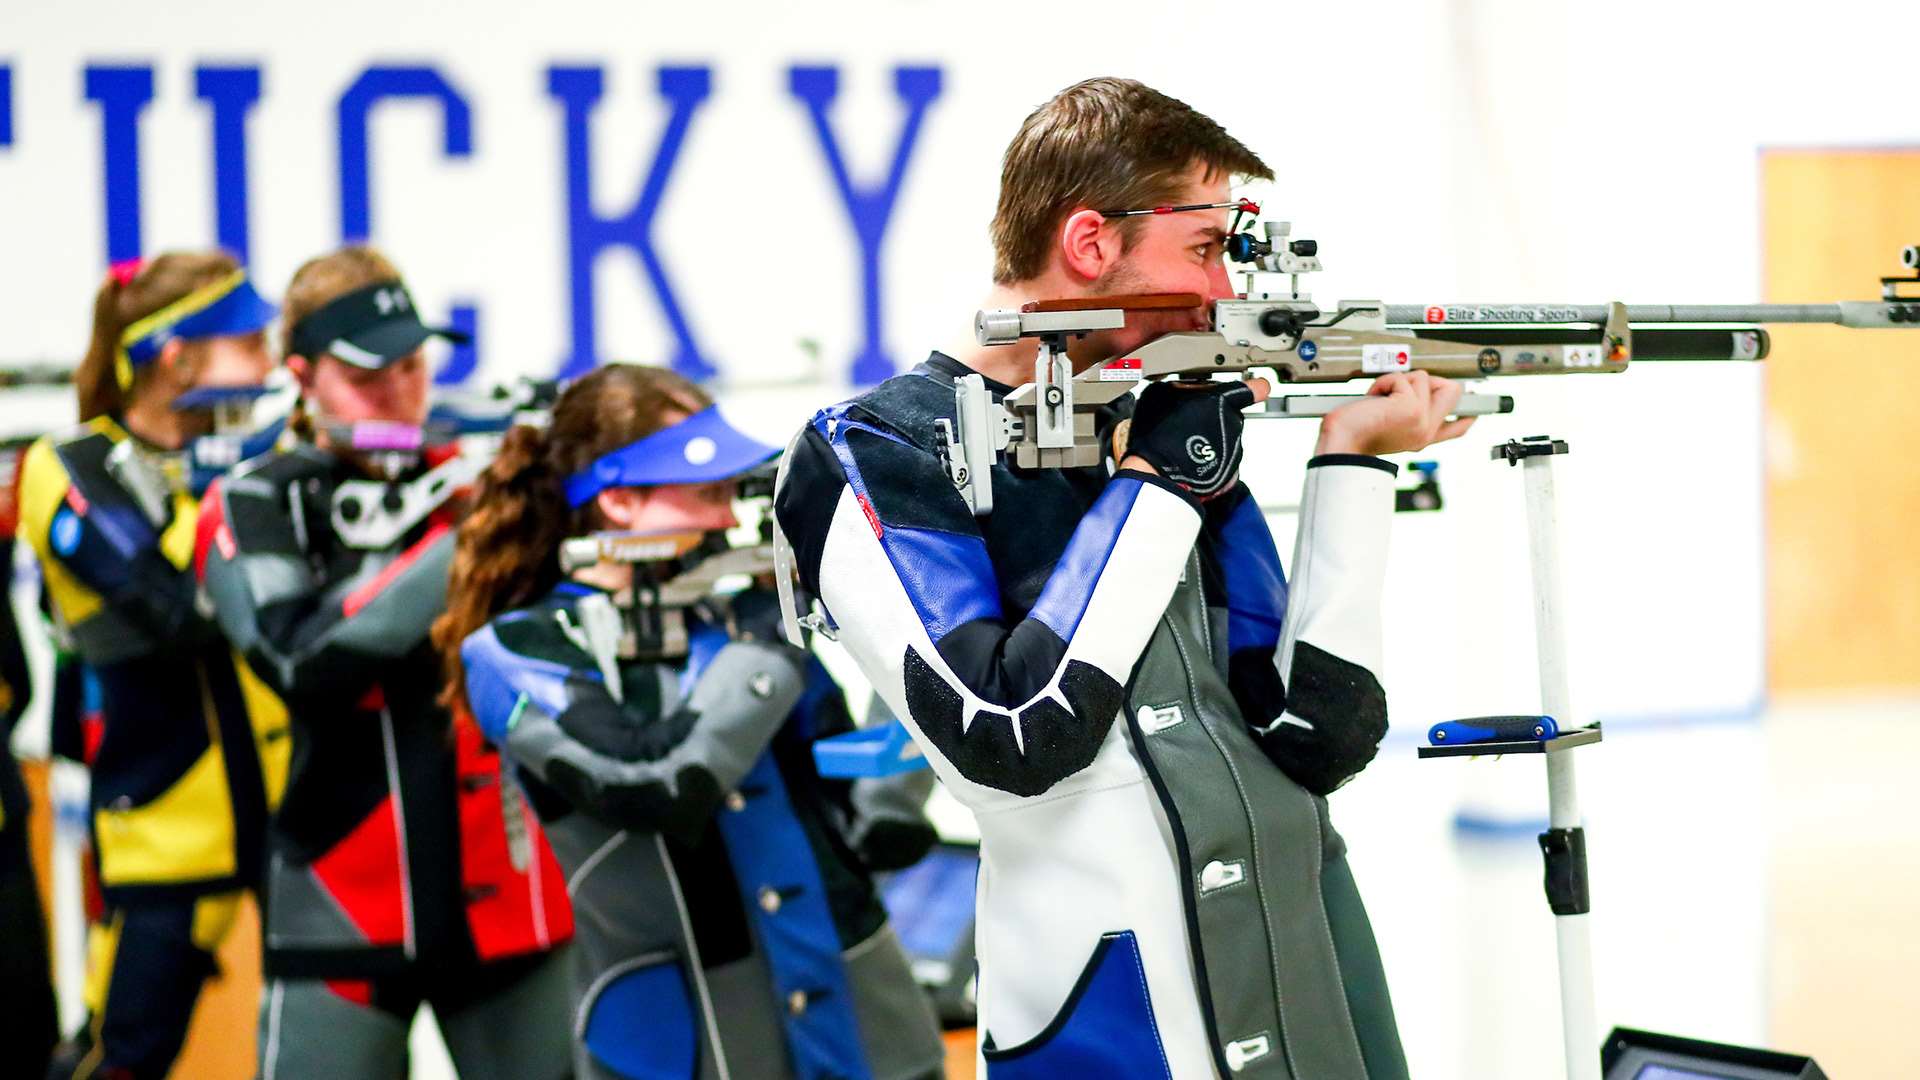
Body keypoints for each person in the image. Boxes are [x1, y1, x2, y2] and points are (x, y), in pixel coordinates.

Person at [773, 78, 1478, 1079]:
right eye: (1205, 250)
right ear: (1092, 242)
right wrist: (1156, 487)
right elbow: (1010, 734)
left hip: (1304, 965)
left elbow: (1316, 732)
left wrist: (1354, 459)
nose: (1224, 292)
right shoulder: (874, 451)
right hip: (1109, 1016)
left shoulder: (1147, 422)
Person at [438, 363, 947, 1080]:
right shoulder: (520, 647)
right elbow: (653, 780)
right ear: (621, 505)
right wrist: (770, 644)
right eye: (707, 494)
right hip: (680, 1040)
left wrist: (909, 628)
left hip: (865, 1017)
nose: (728, 520)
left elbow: (862, 805)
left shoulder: (742, 618)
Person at [195, 246, 574, 1079]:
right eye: (370, 377)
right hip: (341, 898)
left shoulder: (474, 481)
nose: (401, 393)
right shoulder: (254, 500)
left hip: (509, 886)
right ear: (302, 375)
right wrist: (466, 546)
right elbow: (298, 657)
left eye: (412, 366)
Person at [18, 252, 290, 1079]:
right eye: (246, 343)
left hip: (287, 813)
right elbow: (174, 611)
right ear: (175, 357)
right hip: (165, 827)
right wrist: (234, 501)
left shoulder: (247, 456)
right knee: (123, 1058)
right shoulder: (68, 466)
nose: (269, 364)